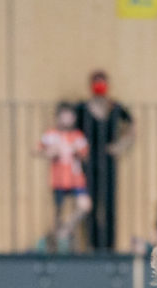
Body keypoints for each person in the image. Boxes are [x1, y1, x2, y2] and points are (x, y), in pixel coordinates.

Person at [75, 71, 134, 252]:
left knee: (109, 202)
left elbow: (132, 126)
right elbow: (73, 131)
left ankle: (109, 245)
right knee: (90, 203)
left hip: (108, 160)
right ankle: (92, 244)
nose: (99, 85)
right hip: (89, 161)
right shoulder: (82, 108)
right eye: (96, 82)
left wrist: (120, 146)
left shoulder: (115, 108)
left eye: (102, 82)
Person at [35, 103, 91, 253]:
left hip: (76, 179)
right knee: (58, 213)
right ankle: (56, 244)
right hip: (59, 180)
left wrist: (76, 151)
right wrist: (50, 152)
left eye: (70, 115)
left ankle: (66, 230)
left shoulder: (77, 136)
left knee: (84, 205)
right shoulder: (51, 135)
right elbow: (38, 150)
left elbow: (85, 154)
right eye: (64, 115)